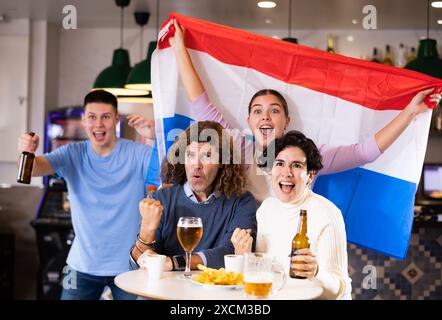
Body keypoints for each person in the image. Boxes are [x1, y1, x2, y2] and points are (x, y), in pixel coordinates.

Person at [169, 19, 442, 203]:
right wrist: (180, 48)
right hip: (244, 248)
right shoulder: (237, 147)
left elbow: (365, 152)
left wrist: (409, 113)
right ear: (249, 121)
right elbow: (201, 103)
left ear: (286, 121)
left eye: (274, 111)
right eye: (257, 111)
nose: (265, 116)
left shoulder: (307, 156)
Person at [18, 90, 156, 300]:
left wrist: (157, 137)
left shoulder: (137, 153)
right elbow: (34, 169)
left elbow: (172, 171)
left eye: (105, 117)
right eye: (92, 117)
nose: (98, 124)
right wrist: (27, 152)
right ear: (83, 120)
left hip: (130, 266)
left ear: (116, 120)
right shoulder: (73, 153)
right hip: (81, 265)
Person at [231, 130, 352, 300]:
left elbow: (340, 289)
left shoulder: (327, 213)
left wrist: (316, 272)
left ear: (310, 176)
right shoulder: (266, 209)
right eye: (279, 163)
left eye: (297, 165)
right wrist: (244, 255)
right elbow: (265, 275)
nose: (286, 172)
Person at [129, 121, 257, 271]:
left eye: (207, 155)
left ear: (222, 161)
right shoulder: (160, 199)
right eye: (190, 155)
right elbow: (139, 265)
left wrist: (176, 262)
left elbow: (231, 252)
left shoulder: (242, 202)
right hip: (164, 291)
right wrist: (147, 230)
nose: (197, 164)